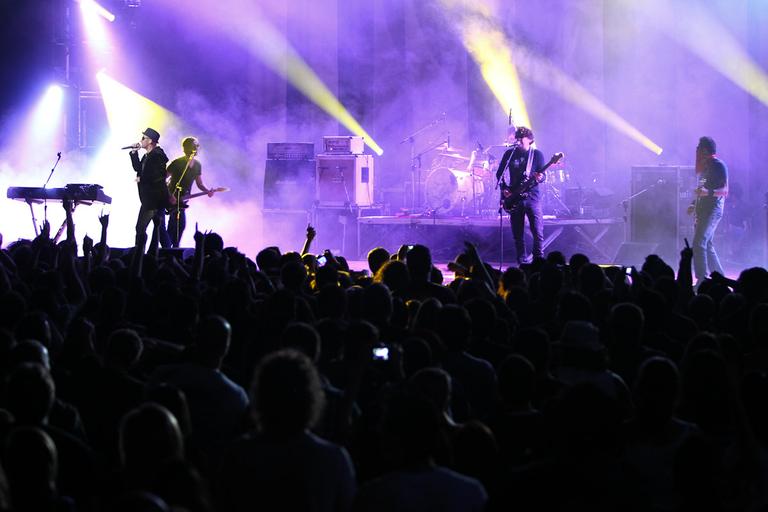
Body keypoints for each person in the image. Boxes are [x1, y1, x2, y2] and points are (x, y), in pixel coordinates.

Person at [495, 126, 546, 264]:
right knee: (518, 234)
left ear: (529, 140)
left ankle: (538, 262)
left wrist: (539, 177)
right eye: (517, 139)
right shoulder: (509, 154)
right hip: (515, 198)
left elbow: (543, 176)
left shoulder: (537, 155)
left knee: (537, 232)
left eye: (521, 139)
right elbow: (499, 173)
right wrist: (504, 188)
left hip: (532, 198)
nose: (518, 142)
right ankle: (522, 262)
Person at [689, 136, 727, 284]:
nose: (697, 150)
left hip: (713, 210)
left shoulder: (718, 165)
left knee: (699, 243)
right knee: (707, 244)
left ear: (705, 150)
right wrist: (694, 204)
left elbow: (724, 190)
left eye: (699, 147)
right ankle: (720, 278)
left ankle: (702, 280)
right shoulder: (705, 169)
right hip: (704, 210)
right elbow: (701, 190)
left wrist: (707, 193)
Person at [166, 136, 215, 247]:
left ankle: (172, 249)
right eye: (195, 146)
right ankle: (168, 250)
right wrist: (169, 196)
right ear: (187, 148)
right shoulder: (177, 163)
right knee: (175, 226)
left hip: (183, 201)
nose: (197, 148)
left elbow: (200, 184)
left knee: (180, 227)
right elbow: (162, 180)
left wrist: (208, 191)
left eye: (197, 146)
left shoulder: (197, 165)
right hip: (172, 200)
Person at [129, 127, 171, 249]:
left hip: (153, 199)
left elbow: (158, 177)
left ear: (151, 141)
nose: (141, 140)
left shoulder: (158, 155)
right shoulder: (148, 155)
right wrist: (133, 152)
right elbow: (138, 168)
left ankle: (139, 253)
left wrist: (142, 179)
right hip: (152, 199)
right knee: (160, 230)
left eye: (144, 138)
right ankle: (168, 252)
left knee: (141, 228)